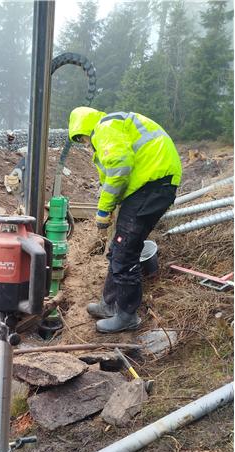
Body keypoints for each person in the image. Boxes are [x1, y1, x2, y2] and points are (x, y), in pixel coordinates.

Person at [68, 106, 183, 333]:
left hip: (153, 185)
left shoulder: (104, 129)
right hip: (150, 184)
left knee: (126, 249)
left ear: (85, 128)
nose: (84, 143)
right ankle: (110, 304)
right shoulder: (114, 126)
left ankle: (127, 316)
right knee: (118, 247)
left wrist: (103, 211)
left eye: (81, 138)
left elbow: (119, 170)